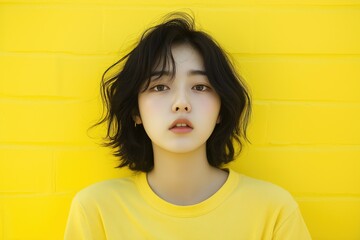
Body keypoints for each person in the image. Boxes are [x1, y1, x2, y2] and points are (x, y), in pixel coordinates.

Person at [64, 12, 311, 239]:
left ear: (220, 110)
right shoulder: (96, 209)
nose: (181, 103)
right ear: (134, 111)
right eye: (159, 87)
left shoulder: (273, 210)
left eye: (200, 87)